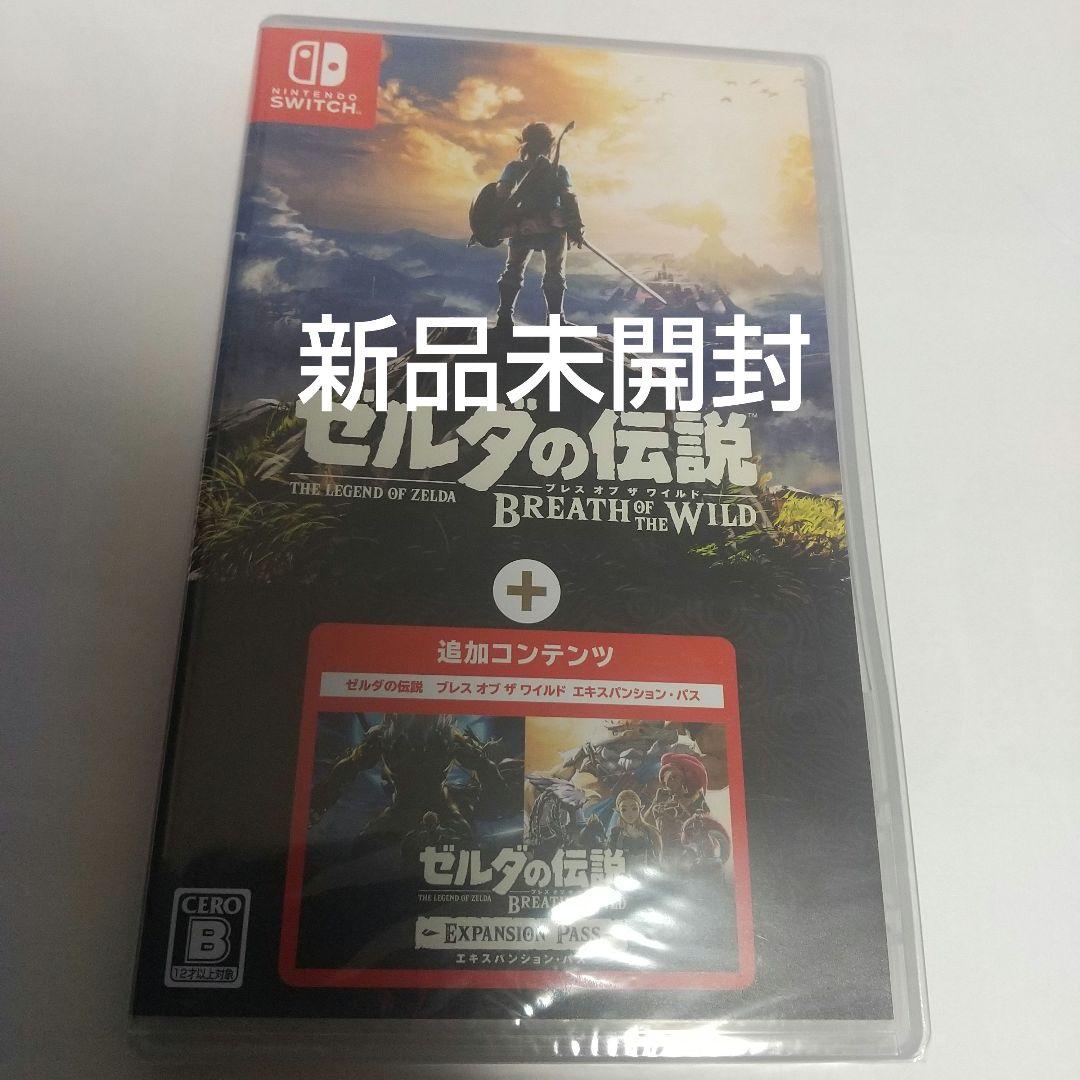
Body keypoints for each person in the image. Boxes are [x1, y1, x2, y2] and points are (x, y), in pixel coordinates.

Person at [494, 122, 584, 327]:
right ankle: (555, 321)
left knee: (514, 269)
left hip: (524, 226)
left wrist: (503, 219)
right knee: (553, 271)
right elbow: (568, 198)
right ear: (549, 144)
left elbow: (501, 195)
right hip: (550, 227)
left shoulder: (515, 168)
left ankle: (504, 317)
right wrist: (574, 225)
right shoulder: (558, 170)